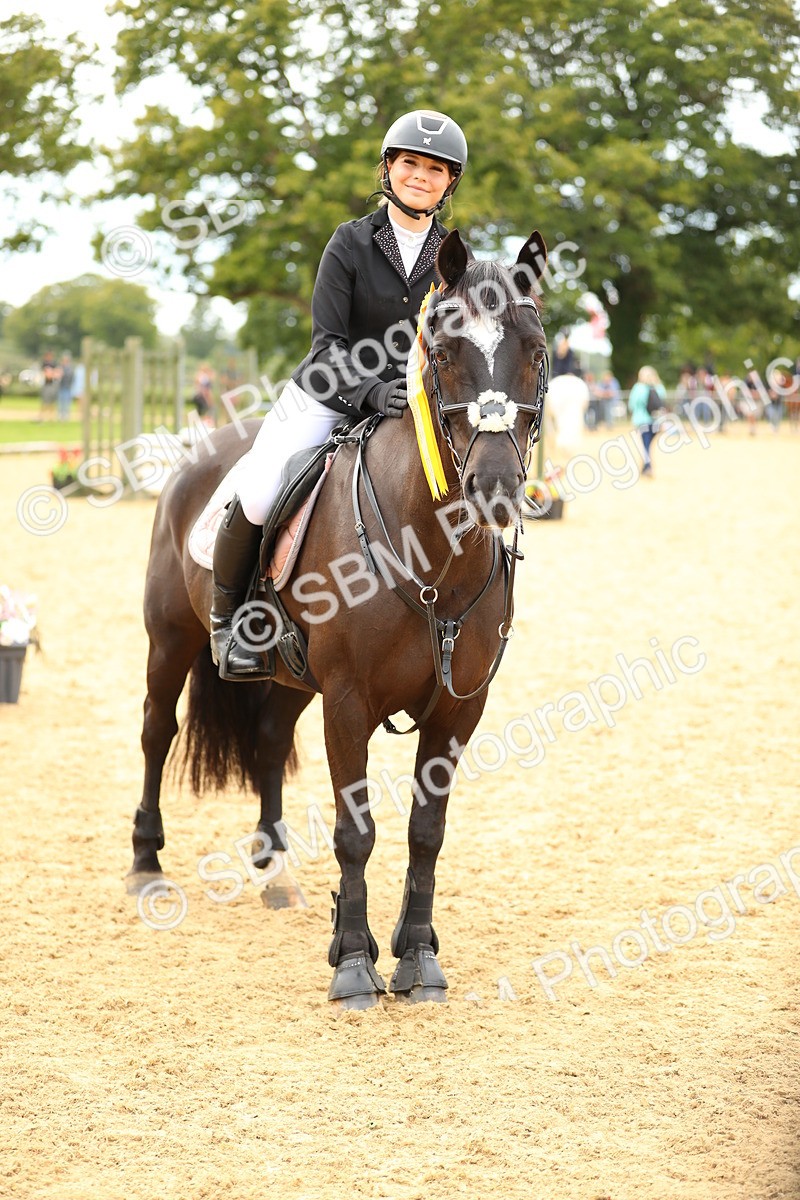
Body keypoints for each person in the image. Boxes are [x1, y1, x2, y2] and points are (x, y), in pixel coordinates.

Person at [210, 109, 468, 678]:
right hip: (328, 393)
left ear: (450, 182)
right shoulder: (349, 243)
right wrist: (373, 392)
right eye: (410, 163)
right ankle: (230, 624)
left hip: (414, 407)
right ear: (388, 168)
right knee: (262, 493)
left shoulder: (454, 257)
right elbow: (327, 344)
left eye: (434, 169)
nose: (420, 176)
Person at [628, 365, 666, 477]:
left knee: (645, 445)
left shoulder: (638, 388)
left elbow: (631, 405)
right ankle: (645, 466)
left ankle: (647, 467)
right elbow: (662, 405)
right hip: (656, 422)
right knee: (648, 445)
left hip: (642, 421)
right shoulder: (659, 387)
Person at [57, 353, 75, 421]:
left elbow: (70, 377)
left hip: (67, 387)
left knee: (67, 402)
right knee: (60, 402)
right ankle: (61, 415)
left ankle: (66, 415)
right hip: (61, 387)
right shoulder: (61, 367)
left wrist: (62, 374)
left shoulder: (69, 369)